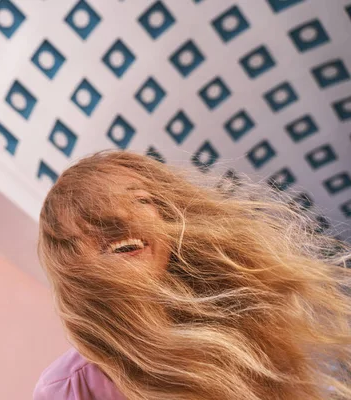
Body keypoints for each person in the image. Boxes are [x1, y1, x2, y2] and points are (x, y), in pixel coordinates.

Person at [33, 151, 351, 400]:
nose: (120, 217)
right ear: (68, 258)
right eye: (93, 215)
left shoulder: (246, 326)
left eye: (140, 200)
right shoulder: (66, 390)